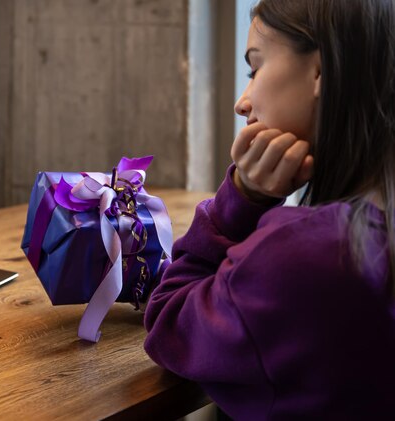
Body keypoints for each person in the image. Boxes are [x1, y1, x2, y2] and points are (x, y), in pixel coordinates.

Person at [143, 0, 395, 419]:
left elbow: (169, 323)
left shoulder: (307, 254)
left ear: (321, 71)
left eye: (255, 69)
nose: (243, 103)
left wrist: (243, 198)